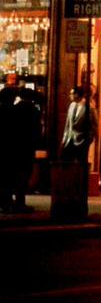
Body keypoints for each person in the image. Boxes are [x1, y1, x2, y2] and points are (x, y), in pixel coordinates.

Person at [0, 73, 41, 214]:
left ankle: (7, 202)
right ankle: (17, 203)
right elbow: (33, 131)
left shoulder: (11, 110)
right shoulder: (22, 110)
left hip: (9, 149)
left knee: (7, 176)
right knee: (20, 176)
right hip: (21, 149)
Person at [60, 84, 96, 166]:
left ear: (76, 94)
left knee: (81, 164)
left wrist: (88, 140)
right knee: (67, 163)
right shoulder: (72, 105)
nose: (70, 96)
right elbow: (68, 124)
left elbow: (94, 125)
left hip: (82, 141)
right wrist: (64, 138)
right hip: (70, 139)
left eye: (71, 94)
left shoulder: (89, 108)